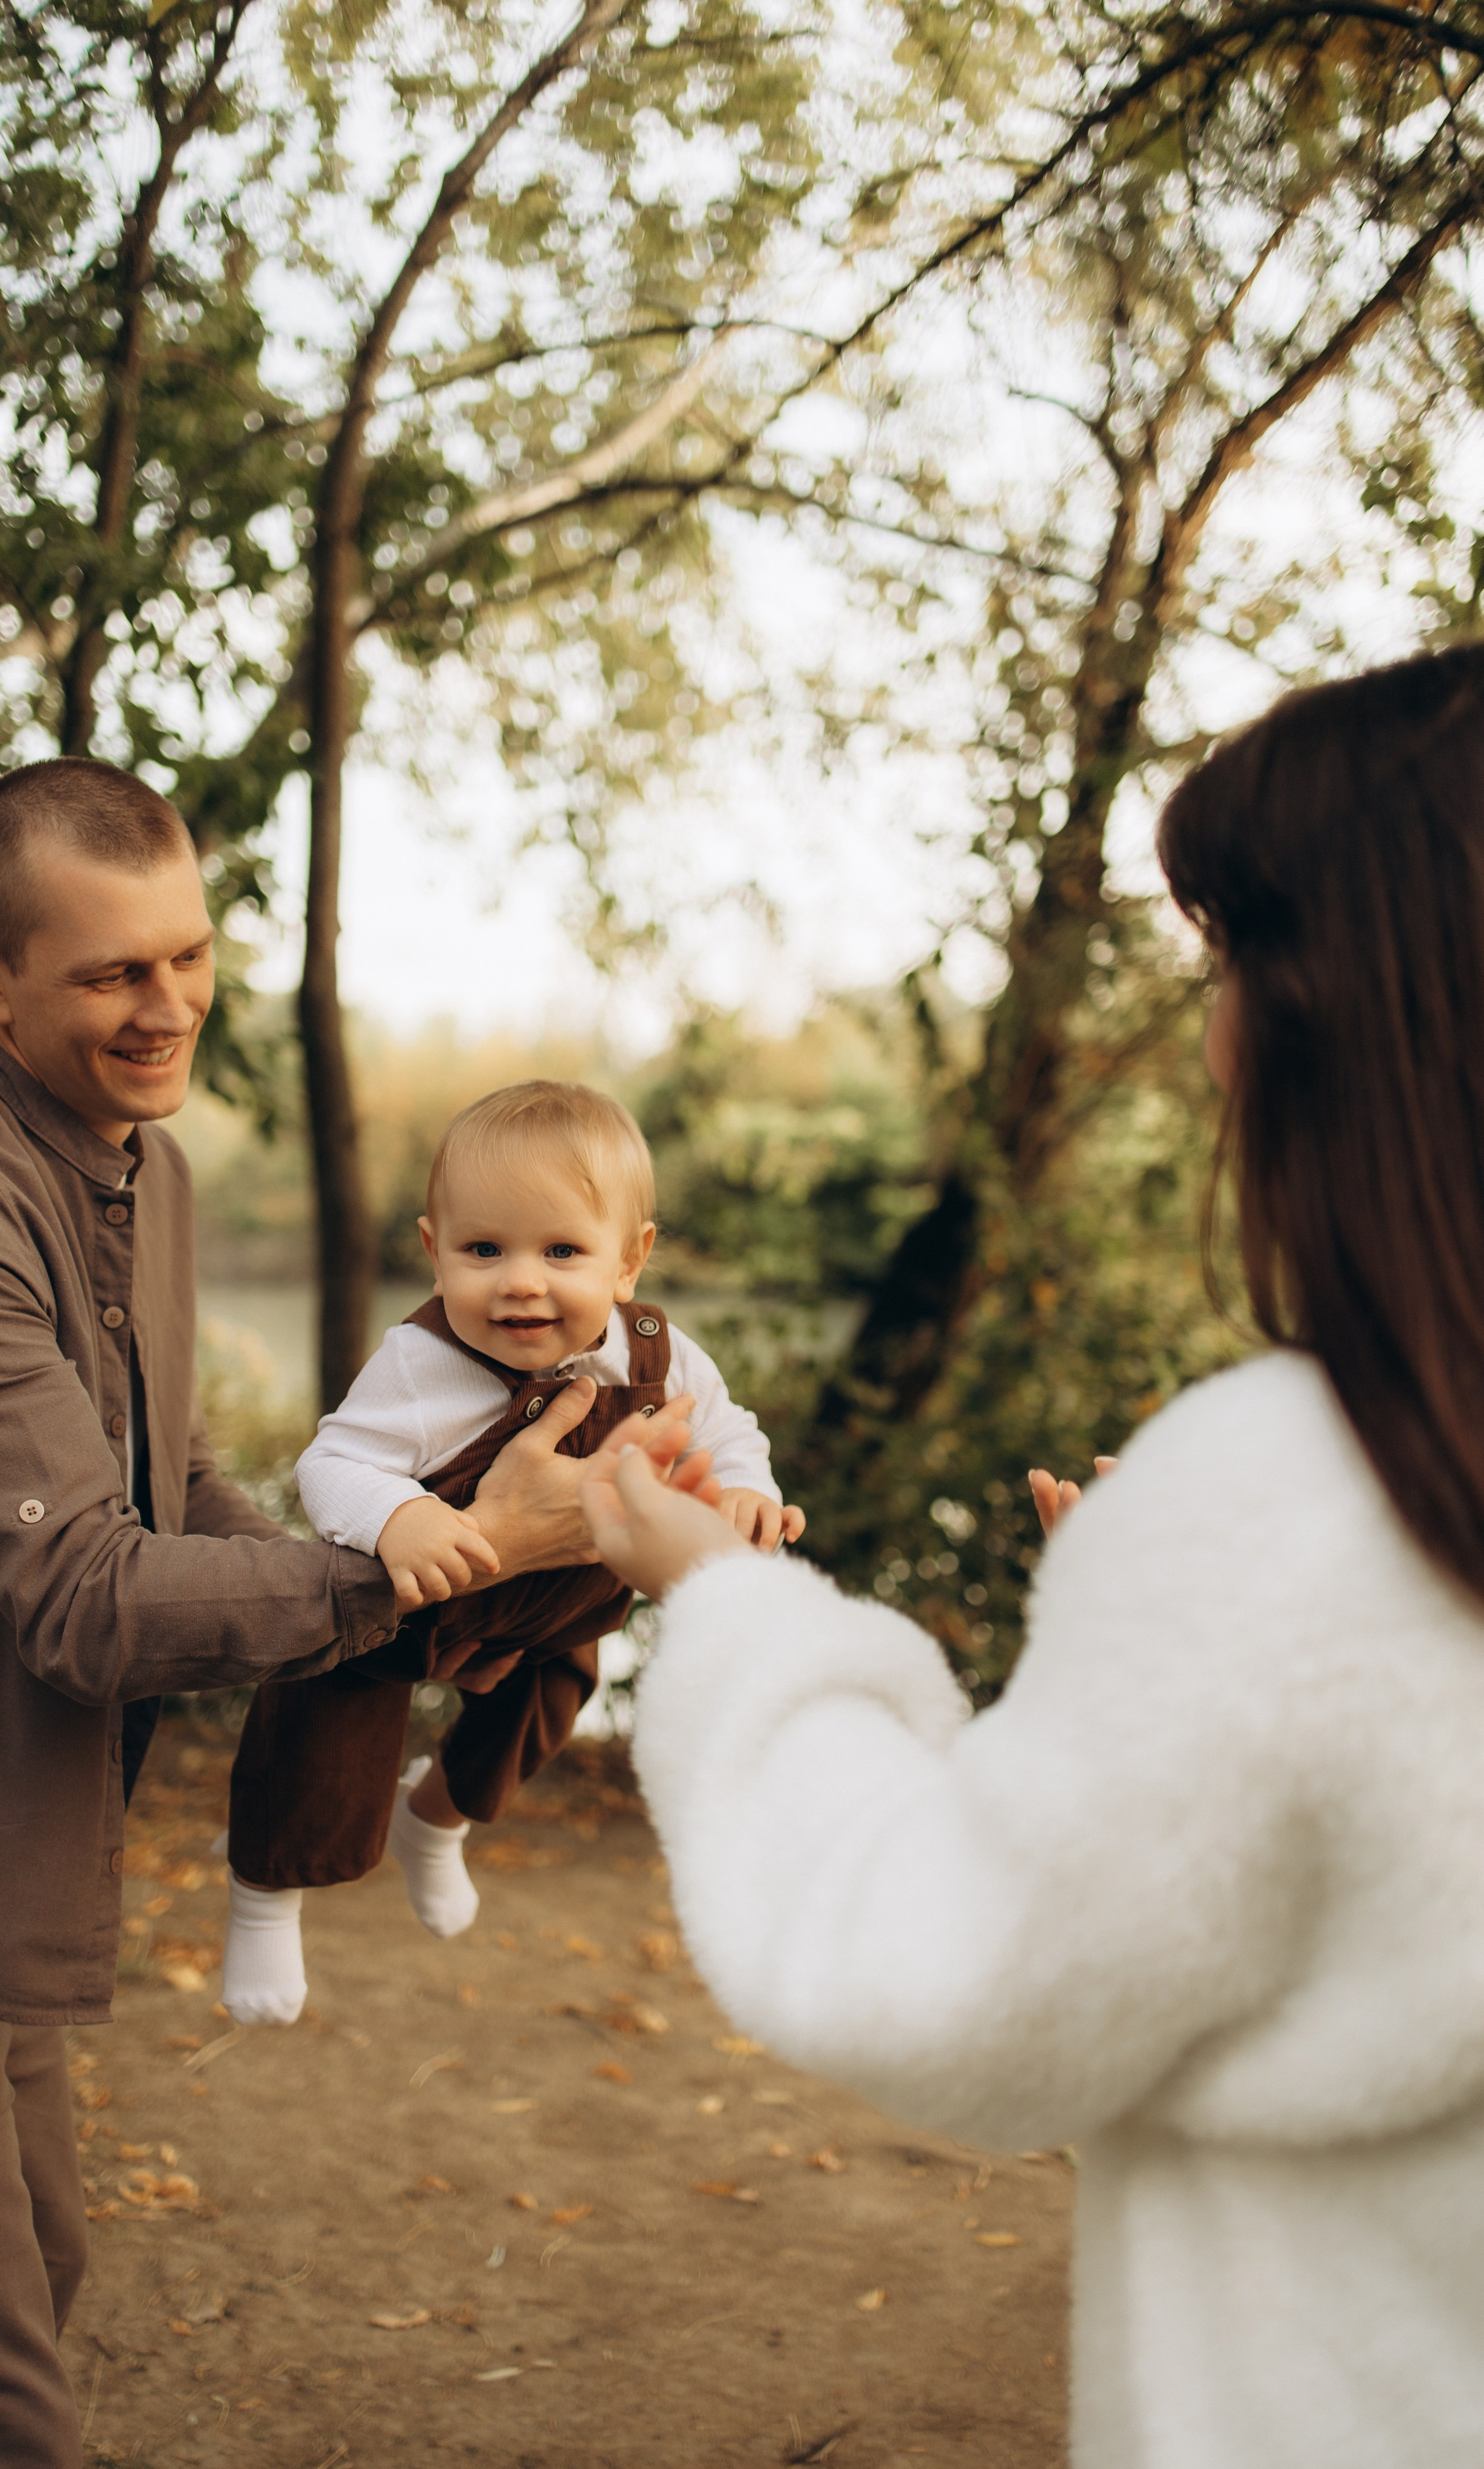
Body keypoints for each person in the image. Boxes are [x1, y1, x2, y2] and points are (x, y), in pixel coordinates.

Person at [579, 642, 1484, 2468]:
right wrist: (1134, 1655)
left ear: (1351, 1015)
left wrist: (724, 1597)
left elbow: (948, 1977)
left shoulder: (1300, 1497)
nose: (1213, 1030)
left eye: (1229, 958)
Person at [0, 757, 632, 2469]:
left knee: (37, 2266)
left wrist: (418, 1584)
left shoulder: (156, 1174)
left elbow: (179, 1491)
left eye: (189, 955)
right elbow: (83, 1596)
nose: (169, 1005)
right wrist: (458, 1553)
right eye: (114, 971)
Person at [221, 1079, 804, 2024]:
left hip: (559, 1602)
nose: (521, 1281)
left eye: (562, 1250)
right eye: (483, 1250)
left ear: (630, 1260)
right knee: (322, 1736)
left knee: (547, 1705)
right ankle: (264, 1896)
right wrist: (393, 1517)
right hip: (413, 1602)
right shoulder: (421, 1365)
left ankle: (434, 1822)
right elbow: (332, 1461)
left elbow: (728, 1433)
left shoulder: (659, 1354)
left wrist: (747, 1494)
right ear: (433, 1251)